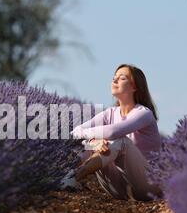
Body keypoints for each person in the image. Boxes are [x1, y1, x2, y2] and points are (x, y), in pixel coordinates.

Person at [61, 64, 162, 201]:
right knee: (87, 143)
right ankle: (62, 176)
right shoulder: (109, 113)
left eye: (121, 78)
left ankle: (74, 177)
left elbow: (114, 132)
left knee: (120, 141)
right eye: (114, 78)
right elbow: (75, 132)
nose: (114, 81)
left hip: (148, 187)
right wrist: (93, 143)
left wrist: (92, 138)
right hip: (119, 189)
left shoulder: (144, 113)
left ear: (135, 87)